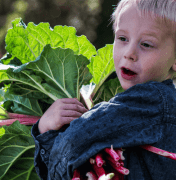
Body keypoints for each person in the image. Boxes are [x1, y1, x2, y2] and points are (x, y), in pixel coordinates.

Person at [31, 0, 176, 179]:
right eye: (122, 38)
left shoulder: (151, 99)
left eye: (146, 44)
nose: (129, 53)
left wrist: (45, 131)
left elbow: (74, 142)